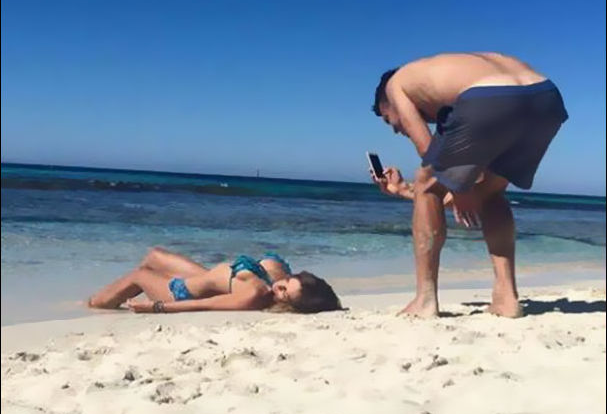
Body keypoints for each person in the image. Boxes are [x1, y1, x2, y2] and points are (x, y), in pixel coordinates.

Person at [370, 52, 568, 318]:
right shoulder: (452, 85)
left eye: (388, 119)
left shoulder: (396, 85)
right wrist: (403, 190)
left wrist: (457, 187)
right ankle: (507, 298)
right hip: (546, 99)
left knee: (426, 182)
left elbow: (430, 157)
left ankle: (425, 300)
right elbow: (474, 188)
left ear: (387, 102)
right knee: (491, 192)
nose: (396, 129)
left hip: (489, 98)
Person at [88, 247, 342, 314]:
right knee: (154, 256)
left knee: (139, 276)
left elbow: (204, 305)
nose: (280, 286)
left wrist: (155, 307)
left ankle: (94, 305)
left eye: (285, 294)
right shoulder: (279, 273)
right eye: (288, 282)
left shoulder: (255, 295)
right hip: (203, 276)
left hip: (182, 292)